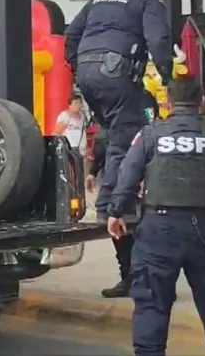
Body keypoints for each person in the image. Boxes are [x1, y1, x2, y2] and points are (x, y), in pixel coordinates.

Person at [107, 77, 205, 356]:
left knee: (151, 304)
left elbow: (128, 174)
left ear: (168, 102)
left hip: (159, 229)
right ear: (201, 102)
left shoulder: (151, 134)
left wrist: (116, 211)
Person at [64, 0, 174, 230]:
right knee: (125, 137)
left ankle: (111, 199)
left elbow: (71, 35)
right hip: (116, 73)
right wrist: (168, 78)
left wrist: (78, 67)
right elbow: (158, 39)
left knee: (114, 135)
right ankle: (111, 206)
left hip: (88, 75)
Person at [85, 89, 159, 298]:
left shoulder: (140, 98)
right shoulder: (121, 97)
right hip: (122, 171)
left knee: (137, 227)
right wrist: (93, 171)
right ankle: (130, 276)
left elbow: (150, 129)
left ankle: (143, 278)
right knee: (121, 227)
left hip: (137, 170)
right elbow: (104, 138)